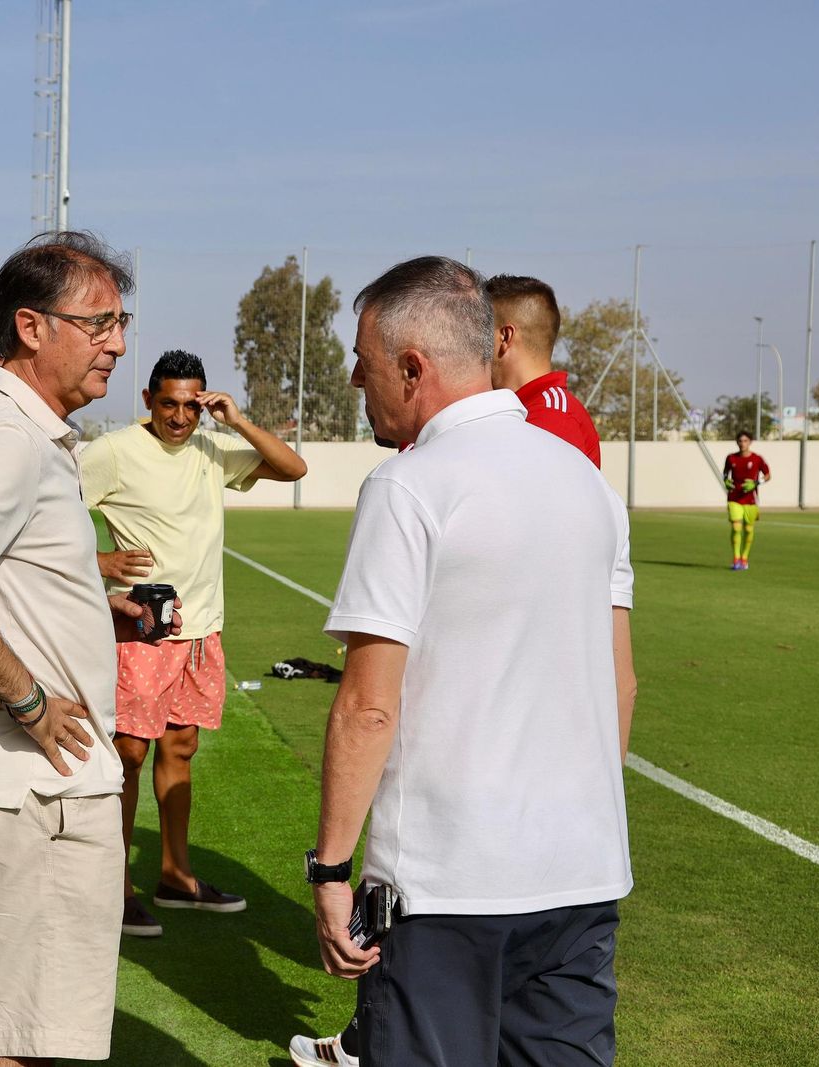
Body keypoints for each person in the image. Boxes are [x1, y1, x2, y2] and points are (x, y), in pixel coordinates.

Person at [300, 256, 635, 1067]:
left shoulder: (408, 486)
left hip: (445, 887)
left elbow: (369, 706)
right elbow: (621, 682)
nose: (356, 379)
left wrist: (331, 869)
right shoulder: (590, 484)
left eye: (365, 361)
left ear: (413, 368)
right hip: (582, 876)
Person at [0, 231, 173, 1067]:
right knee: (24, 1045)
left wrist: (92, 609)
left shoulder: (18, 428)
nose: (117, 343)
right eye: (97, 323)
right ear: (31, 326)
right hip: (34, 790)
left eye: (121, 322)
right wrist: (28, 696)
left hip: (18, 788)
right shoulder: (9, 435)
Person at [81, 349, 307, 938]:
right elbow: (43, 513)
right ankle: (114, 890)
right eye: (168, 404)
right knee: (129, 755)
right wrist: (100, 560)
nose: (180, 417)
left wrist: (236, 420)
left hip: (202, 631)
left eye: (191, 406)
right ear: (148, 400)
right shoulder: (112, 452)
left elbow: (293, 469)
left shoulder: (213, 447)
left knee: (180, 749)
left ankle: (175, 877)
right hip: (142, 629)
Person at [487, 273, 601, 467]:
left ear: (505, 337)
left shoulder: (552, 417)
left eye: (481, 332)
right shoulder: (524, 409)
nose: (473, 343)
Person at [723, 430, 770, 570]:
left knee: (748, 529)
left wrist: (756, 483)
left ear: (750, 442)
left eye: (745, 441)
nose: (742, 443)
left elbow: (768, 475)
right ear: (737, 442)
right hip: (734, 498)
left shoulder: (757, 459)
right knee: (736, 527)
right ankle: (736, 559)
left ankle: (744, 558)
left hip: (750, 499)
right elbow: (725, 472)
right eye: (740, 441)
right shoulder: (731, 458)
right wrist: (726, 480)